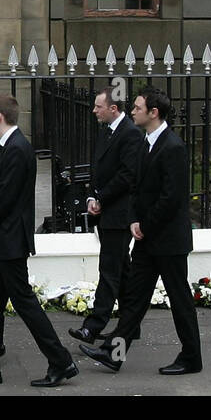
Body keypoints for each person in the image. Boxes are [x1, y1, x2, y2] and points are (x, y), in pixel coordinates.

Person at [0, 95, 79, 388]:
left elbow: (6, 198)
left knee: (24, 303)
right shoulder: (8, 147)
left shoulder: (17, 149)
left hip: (9, 239)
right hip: (3, 238)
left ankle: (61, 361)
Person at [78, 88, 203, 377]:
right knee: (134, 300)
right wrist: (134, 219)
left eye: (137, 107)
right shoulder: (146, 142)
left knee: (180, 300)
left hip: (169, 241)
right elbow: (136, 187)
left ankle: (191, 356)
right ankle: (113, 353)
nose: (132, 111)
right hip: (148, 239)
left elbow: (171, 198)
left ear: (153, 112)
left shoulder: (172, 147)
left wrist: (144, 225)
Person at [69, 85, 143, 343]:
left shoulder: (130, 134)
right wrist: (91, 196)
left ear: (113, 108)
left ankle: (94, 326)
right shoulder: (107, 132)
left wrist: (102, 198)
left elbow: (127, 175)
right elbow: (98, 169)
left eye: (98, 107)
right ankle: (130, 326)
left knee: (109, 269)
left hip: (120, 214)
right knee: (122, 271)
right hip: (106, 211)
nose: (94, 111)